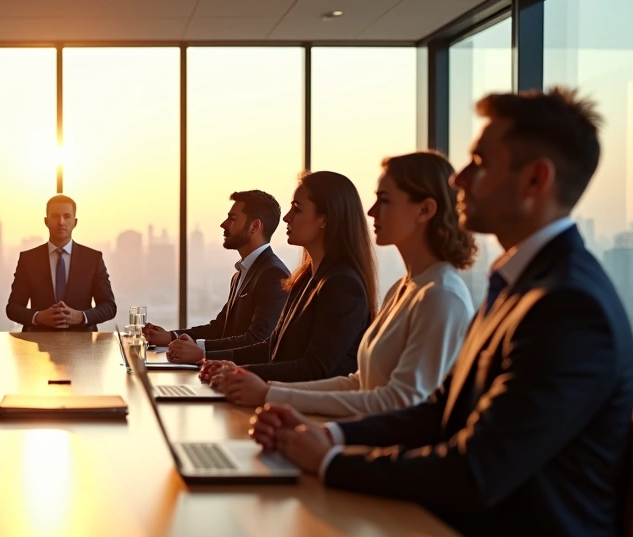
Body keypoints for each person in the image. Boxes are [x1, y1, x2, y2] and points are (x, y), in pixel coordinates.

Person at [253, 88, 633, 537]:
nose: (459, 179)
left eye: (479, 163)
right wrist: (330, 439)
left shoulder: (569, 308)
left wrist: (333, 463)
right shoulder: (520, 286)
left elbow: (477, 470)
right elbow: (437, 409)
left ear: (536, 181)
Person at [216, 152, 475, 415]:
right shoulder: (402, 288)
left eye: (384, 200)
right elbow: (359, 382)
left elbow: (400, 401)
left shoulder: (442, 295)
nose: (372, 211)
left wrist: (269, 394)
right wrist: (260, 387)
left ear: (425, 210)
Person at [190, 172, 377, 386]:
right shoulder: (305, 278)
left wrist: (239, 373)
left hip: (311, 412)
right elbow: (272, 347)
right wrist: (225, 365)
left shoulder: (343, 285)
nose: (287, 217)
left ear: (324, 219)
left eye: (297, 209)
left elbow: (315, 368)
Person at [144, 190, 289, 357]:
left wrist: (200, 351)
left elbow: (257, 340)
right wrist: (171, 337)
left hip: (247, 379)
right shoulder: (242, 273)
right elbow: (220, 328)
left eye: (232, 219)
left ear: (254, 226)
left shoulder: (273, 274)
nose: (223, 224)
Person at [6, 194, 117, 331]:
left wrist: (80, 316)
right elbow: (13, 307)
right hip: (38, 343)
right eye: (55, 216)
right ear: (46, 221)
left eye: (67, 216)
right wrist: (38, 317)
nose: (61, 222)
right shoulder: (28, 259)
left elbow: (109, 306)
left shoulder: (93, 259)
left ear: (75, 222)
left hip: (84, 344)